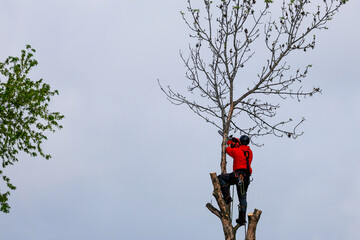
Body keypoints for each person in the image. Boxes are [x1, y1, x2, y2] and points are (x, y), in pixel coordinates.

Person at [218, 135, 253, 226]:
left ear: (241, 142)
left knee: (221, 178)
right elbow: (242, 149)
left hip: (238, 175)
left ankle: (227, 197)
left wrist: (230, 142)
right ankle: (242, 219)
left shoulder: (236, 151)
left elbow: (228, 150)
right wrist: (236, 141)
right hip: (246, 178)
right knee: (242, 198)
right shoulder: (250, 152)